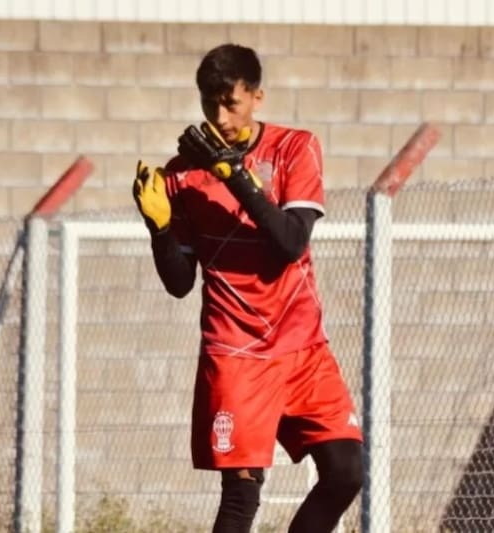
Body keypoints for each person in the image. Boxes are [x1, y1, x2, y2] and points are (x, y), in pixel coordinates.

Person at [132, 43, 364, 533]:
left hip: (304, 350)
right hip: (235, 356)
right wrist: (158, 230)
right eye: (209, 105)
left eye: (230, 104)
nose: (219, 118)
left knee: (345, 473)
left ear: (257, 96)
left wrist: (234, 174)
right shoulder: (182, 176)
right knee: (241, 499)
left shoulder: (294, 149)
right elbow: (179, 283)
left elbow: (290, 242)